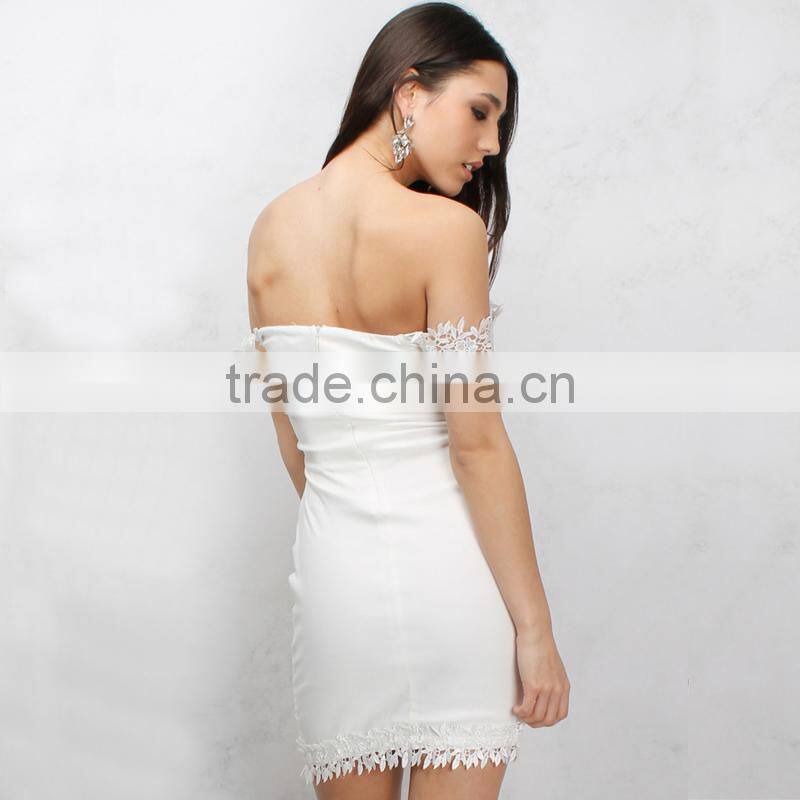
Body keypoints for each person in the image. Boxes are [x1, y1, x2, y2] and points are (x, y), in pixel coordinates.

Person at [243, 3, 569, 797]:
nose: (492, 145)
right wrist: (534, 629)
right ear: (409, 91)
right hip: (450, 576)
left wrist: (354, 526)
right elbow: (476, 444)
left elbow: (295, 443)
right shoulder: (444, 232)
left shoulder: (270, 230)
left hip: (334, 582)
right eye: (481, 112)